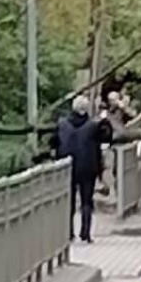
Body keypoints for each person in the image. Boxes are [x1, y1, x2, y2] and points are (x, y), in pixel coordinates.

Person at [53, 95, 106, 243]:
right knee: (86, 201)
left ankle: (68, 233)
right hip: (88, 168)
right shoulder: (93, 126)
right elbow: (103, 141)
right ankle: (85, 233)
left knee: (69, 201)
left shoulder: (63, 124)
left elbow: (55, 143)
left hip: (68, 167)